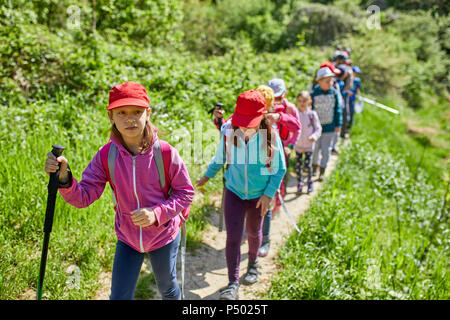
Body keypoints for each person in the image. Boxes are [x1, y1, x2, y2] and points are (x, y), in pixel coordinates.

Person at [44, 82, 195, 300]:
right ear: (111, 116)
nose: (130, 118)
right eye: (121, 112)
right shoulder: (107, 155)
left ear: (148, 113)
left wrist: (156, 213)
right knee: (118, 296)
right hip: (128, 237)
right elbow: (84, 196)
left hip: (164, 234)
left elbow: (185, 193)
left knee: (168, 288)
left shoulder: (165, 153)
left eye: (137, 112)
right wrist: (64, 178)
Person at [196, 90, 286, 300]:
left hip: (258, 196)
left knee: (254, 233)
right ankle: (232, 283)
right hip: (234, 191)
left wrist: (268, 194)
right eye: (243, 121)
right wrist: (206, 177)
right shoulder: (229, 130)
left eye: (251, 122)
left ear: (262, 117)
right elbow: (219, 158)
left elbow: (279, 168)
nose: (245, 127)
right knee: (233, 237)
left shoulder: (270, 134)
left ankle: (253, 264)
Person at [311, 67, 342, 181]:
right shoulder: (314, 94)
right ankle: (314, 167)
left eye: (331, 81)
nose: (330, 83)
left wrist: (338, 125)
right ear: (319, 81)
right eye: (327, 81)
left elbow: (337, 110)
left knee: (326, 150)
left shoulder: (334, 93)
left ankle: (322, 170)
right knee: (315, 150)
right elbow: (310, 111)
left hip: (329, 128)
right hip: (316, 129)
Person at [289, 91, 322, 193]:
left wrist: (314, 136)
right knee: (298, 166)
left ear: (309, 101)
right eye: (299, 101)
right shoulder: (295, 114)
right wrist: (291, 141)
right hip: (298, 146)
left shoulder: (312, 114)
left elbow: (318, 128)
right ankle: (300, 184)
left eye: (304, 101)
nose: (302, 103)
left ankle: (309, 182)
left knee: (307, 165)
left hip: (309, 145)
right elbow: (291, 128)